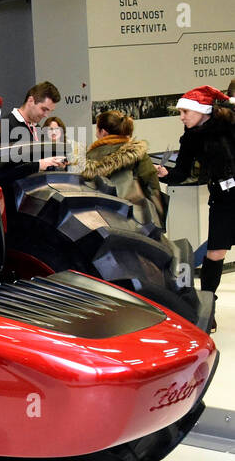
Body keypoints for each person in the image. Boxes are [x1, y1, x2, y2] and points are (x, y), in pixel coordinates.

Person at [157, 86, 235, 325]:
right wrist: (164, 174)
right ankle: (207, 308)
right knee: (215, 252)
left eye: (185, 112)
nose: (182, 117)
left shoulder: (229, 125)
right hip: (222, 198)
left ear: (202, 111)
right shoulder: (191, 136)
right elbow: (182, 172)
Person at [81, 111, 163, 226]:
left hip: (99, 223)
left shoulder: (87, 160)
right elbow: (153, 188)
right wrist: (159, 223)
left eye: (97, 130)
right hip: (135, 223)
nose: (96, 135)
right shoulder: (137, 155)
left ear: (103, 132)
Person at [0, 81, 67, 174]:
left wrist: (54, 162)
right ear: (30, 101)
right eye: (44, 109)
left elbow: (39, 161)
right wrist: (38, 165)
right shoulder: (5, 126)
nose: (46, 115)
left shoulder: (38, 129)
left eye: (50, 111)